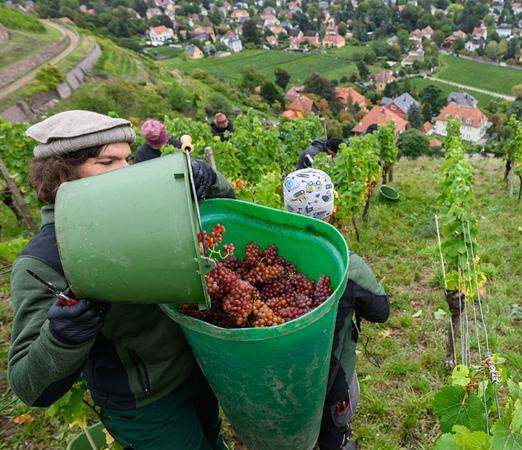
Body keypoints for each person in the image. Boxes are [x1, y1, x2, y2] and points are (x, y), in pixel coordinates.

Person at [8, 110, 235, 450]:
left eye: (128, 160)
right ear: (61, 177)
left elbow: (227, 219)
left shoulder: (150, 211)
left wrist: (209, 180)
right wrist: (63, 336)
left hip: (197, 372)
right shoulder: (43, 261)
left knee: (212, 438)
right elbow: (28, 386)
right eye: (106, 162)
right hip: (146, 405)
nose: (125, 172)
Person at [283, 169, 390, 450]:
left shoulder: (269, 251)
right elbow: (380, 312)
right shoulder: (347, 265)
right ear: (331, 211)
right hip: (331, 379)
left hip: (278, 378)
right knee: (333, 433)